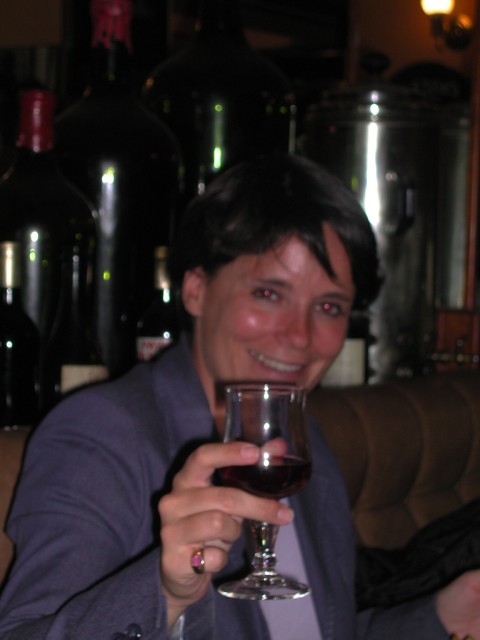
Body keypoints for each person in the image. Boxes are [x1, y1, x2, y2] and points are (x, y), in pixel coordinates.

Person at [0, 152, 479, 639]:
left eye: (329, 307)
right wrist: (165, 592)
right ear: (196, 290)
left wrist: (440, 619)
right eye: (269, 294)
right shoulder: (102, 434)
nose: (299, 335)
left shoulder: (302, 449)